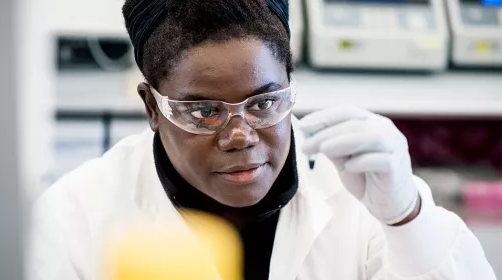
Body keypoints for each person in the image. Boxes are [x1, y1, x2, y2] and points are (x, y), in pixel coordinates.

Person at [29, 0, 496, 279]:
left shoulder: (360, 194)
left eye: (264, 103)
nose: (239, 136)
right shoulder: (76, 214)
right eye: (204, 111)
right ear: (153, 108)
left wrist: (406, 218)